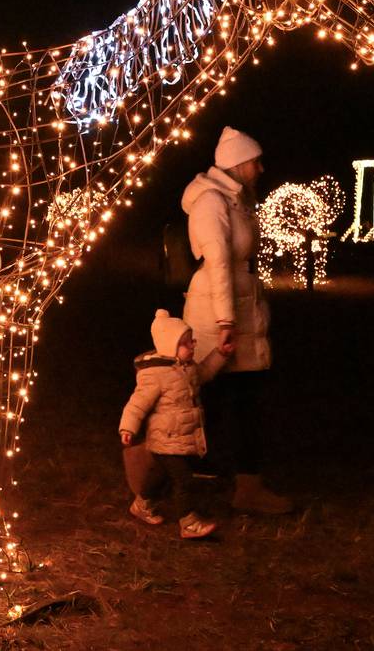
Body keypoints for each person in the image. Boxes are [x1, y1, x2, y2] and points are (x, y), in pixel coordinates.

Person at [180, 126, 293, 514]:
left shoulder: (235, 201)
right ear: (238, 163)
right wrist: (226, 322)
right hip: (218, 314)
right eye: (255, 161)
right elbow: (218, 263)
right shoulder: (212, 202)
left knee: (233, 399)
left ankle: (223, 479)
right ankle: (168, 475)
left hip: (236, 309)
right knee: (218, 399)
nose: (261, 168)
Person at [119, 309, 231, 538]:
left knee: (160, 474)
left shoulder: (187, 368)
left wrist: (220, 354)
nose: (192, 346)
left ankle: (142, 505)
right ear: (170, 346)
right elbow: (137, 403)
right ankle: (188, 522)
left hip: (179, 438)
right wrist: (128, 427)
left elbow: (204, 372)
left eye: (192, 341)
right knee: (184, 479)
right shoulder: (155, 375)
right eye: (186, 343)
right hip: (166, 437)